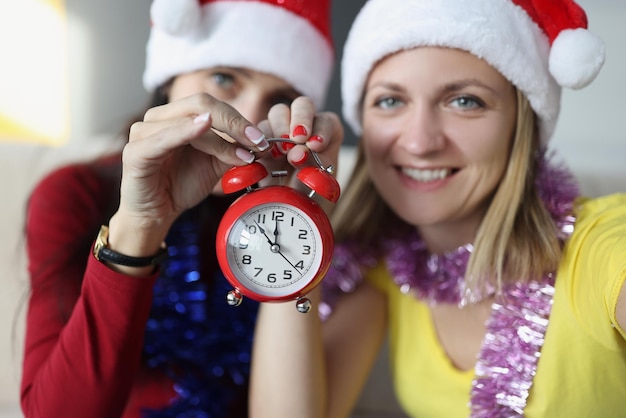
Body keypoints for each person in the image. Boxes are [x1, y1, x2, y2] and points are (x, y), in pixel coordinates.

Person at [250, 0, 626, 417]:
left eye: (464, 101)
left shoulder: (603, 244)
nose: (419, 142)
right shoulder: (388, 274)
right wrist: (288, 210)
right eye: (390, 101)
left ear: (522, 124)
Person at [20, 0, 341, 417]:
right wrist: (141, 225)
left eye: (279, 97)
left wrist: (298, 214)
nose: (250, 115)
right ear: (169, 80)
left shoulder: (288, 215)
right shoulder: (73, 194)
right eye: (224, 77)